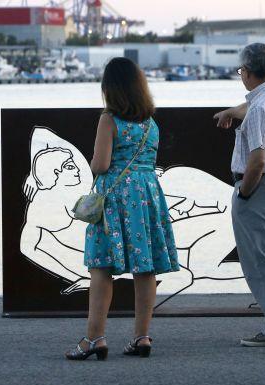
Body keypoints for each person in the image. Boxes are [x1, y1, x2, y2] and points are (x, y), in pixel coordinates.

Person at [65, 57, 179, 360]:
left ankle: (94, 339)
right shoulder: (150, 123)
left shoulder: (109, 120)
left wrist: (92, 160)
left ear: (110, 88)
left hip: (115, 198)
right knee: (145, 267)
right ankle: (142, 337)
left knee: (101, 267)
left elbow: (101, 164)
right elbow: (149, 162)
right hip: (147, 195)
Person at [213, 43, 265, 347]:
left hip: (260, 189)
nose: (241, 75)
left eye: (241, 71)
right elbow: (250, 107)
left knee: (260, 263)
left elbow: (258, 159)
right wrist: (232, 112)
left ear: (247, 72)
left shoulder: (261, 107)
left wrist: (245, 193)